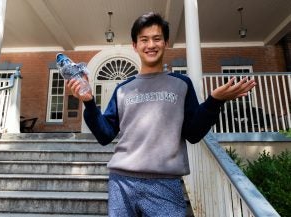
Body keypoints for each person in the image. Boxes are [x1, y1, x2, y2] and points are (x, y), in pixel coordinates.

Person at [67, 12, 256, 217]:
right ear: (135, 45)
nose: (151, 45)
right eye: (144, 40)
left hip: (165, 184)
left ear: (166, 43)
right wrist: (89, 102)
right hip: (121, 182)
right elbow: (105, 135)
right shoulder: (123, 89)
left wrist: (214, 102)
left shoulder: (181, 84)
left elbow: (193, 133)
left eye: (157, 39)